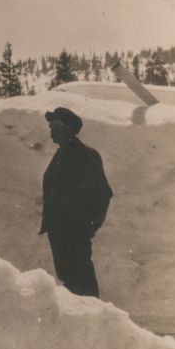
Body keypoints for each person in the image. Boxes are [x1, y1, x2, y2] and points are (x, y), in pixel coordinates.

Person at [40, 107, 112, 298]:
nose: (51, 131)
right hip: (59, 229)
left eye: (55, 126)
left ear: (70, 128)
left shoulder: (87, 155)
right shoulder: (61, 154)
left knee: (82, 277)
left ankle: (93, 316)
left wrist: (89, 226)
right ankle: (79, 317)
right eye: (50, 126)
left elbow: (103, 194)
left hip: (75, 230)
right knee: (68, 276)